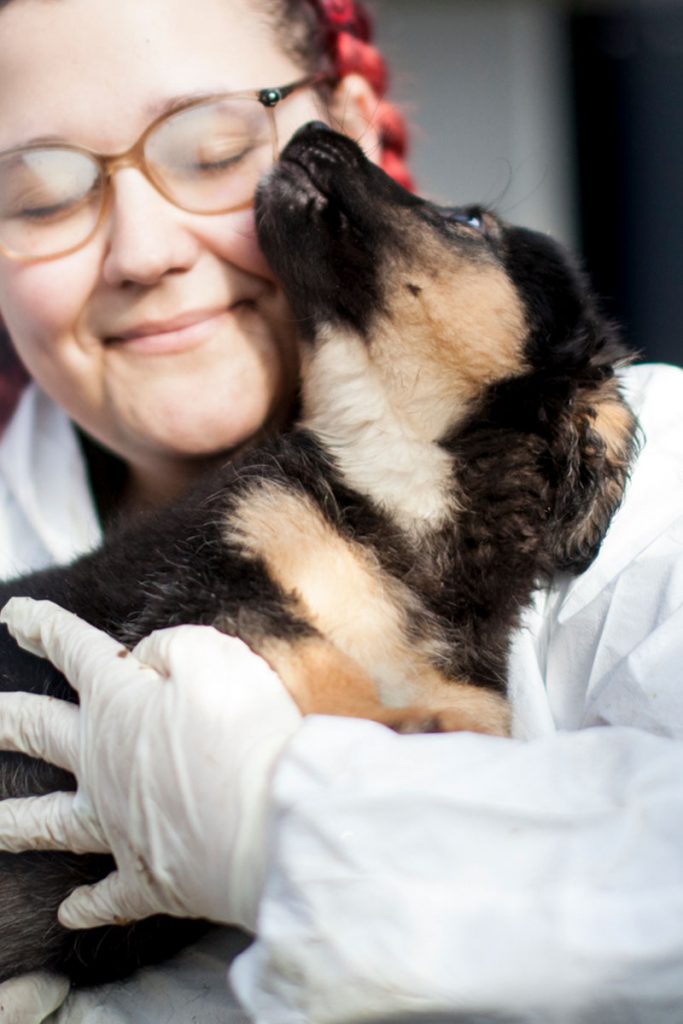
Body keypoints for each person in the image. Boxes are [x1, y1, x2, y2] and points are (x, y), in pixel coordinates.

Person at [0, 0, 681, 1021]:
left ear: (351, 128)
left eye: (212, 148)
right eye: (42, 198)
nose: (143, 253)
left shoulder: (644, 482)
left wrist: (276, 825)